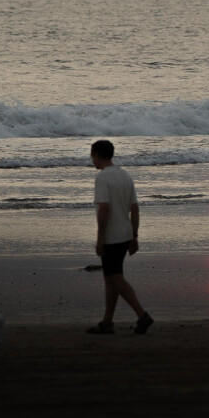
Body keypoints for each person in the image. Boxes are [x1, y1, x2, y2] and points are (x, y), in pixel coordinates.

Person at [87, 139, 153, 335]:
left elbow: (104, 209)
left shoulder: (102, 178)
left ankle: (142, 315)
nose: (92, 160)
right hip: (125, 234)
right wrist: (134, 235)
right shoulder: (125, 176)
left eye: (92, 156)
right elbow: (135, 208)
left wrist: (100, 238)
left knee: (115, 277)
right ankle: (107, 322)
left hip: (112, 236)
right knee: (111, 278)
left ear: (97, 155)